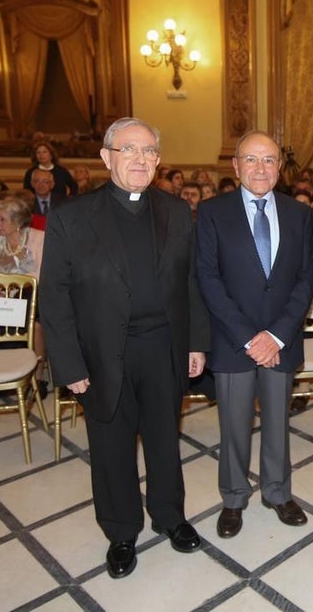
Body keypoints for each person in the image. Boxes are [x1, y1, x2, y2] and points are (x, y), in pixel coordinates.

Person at [41, 118, 210, 579]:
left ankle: (170, 516)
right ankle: (120, 530)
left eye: (150, 151)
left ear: (158, 159)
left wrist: (196, 342)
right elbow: (53, 298)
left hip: (163, 347)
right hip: (101, 352)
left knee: (163, 440)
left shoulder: (177, 211)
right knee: (112, 445)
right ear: (106, 156)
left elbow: (190, 283)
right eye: (129, 150)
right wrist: (69, 363)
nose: (141, 159)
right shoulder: (71, 217)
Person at [196, 131, 313, 539]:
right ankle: (233, 498)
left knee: (279, 421)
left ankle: (278, 492)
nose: (261, 168)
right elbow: (208, 280)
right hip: (234, 341)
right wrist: (250, 338)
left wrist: (277, 336)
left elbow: (305, 279)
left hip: (281, 341)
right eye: (251, 159)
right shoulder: (212, 213)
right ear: (235, 165)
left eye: (268, 160)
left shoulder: (299, 214)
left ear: (279, 168)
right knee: (233, 423)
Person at [0, 198, 45, 278]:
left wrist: (8, 285)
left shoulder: (40, 239)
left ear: (18, 221)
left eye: (2, 219)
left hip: (32, 289)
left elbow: (43, 275)